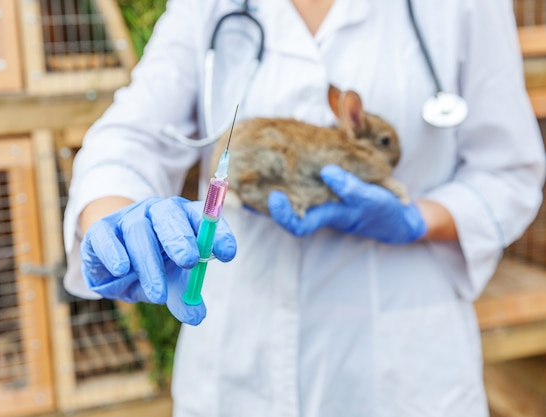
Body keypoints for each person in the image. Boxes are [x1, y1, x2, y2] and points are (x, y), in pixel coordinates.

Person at [62, 0, 546, 416]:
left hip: (402, 361)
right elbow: (131, 137)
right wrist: (116, 215)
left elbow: (510, 171)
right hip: (236, 351)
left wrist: (418, 219)